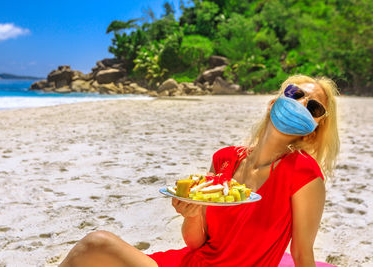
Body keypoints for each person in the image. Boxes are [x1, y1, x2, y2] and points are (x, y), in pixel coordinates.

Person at [59, 74, 340, 267]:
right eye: (295, 94)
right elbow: (196, 241)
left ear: (315, 129)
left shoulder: (303, 173)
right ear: (273, 103)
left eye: (313, 107)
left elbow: (302, 252)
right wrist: (190, 213)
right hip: (194, 261)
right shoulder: (225, 159)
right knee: (94, 244)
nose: (301, 104)